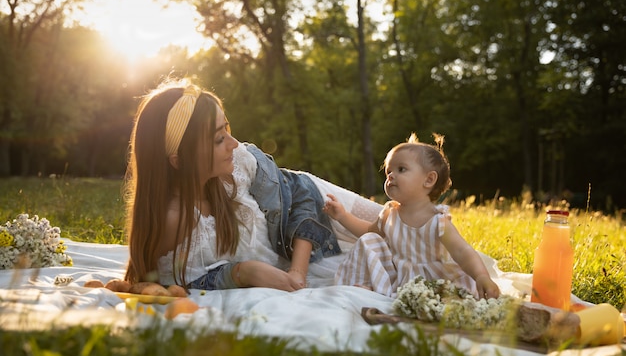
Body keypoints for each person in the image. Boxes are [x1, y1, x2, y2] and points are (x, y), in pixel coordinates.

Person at [123, 79, 382, 292]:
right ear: (179, 161)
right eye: (218, 139)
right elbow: (181, 282)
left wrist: (297, 270)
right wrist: (243, 272)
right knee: (391, 268)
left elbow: (301, 190)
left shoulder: (239, 165)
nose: (234, 143)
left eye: (226, 129)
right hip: (300, 262)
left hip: (321, 213)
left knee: (398, 225)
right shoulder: (175, 220)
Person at [323, 133, 500, 300]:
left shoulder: (437, 222)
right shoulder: (389, 214)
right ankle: (368, 285)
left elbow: (463, 251)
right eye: (388, 172)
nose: (391, 175)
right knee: (370, 240)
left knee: (444, 300)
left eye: (401, 169)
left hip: (434, 282)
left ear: (429, 180)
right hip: (400, 279)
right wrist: (342, 216)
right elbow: (367, 230)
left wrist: (481, 276)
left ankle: (396, 295)